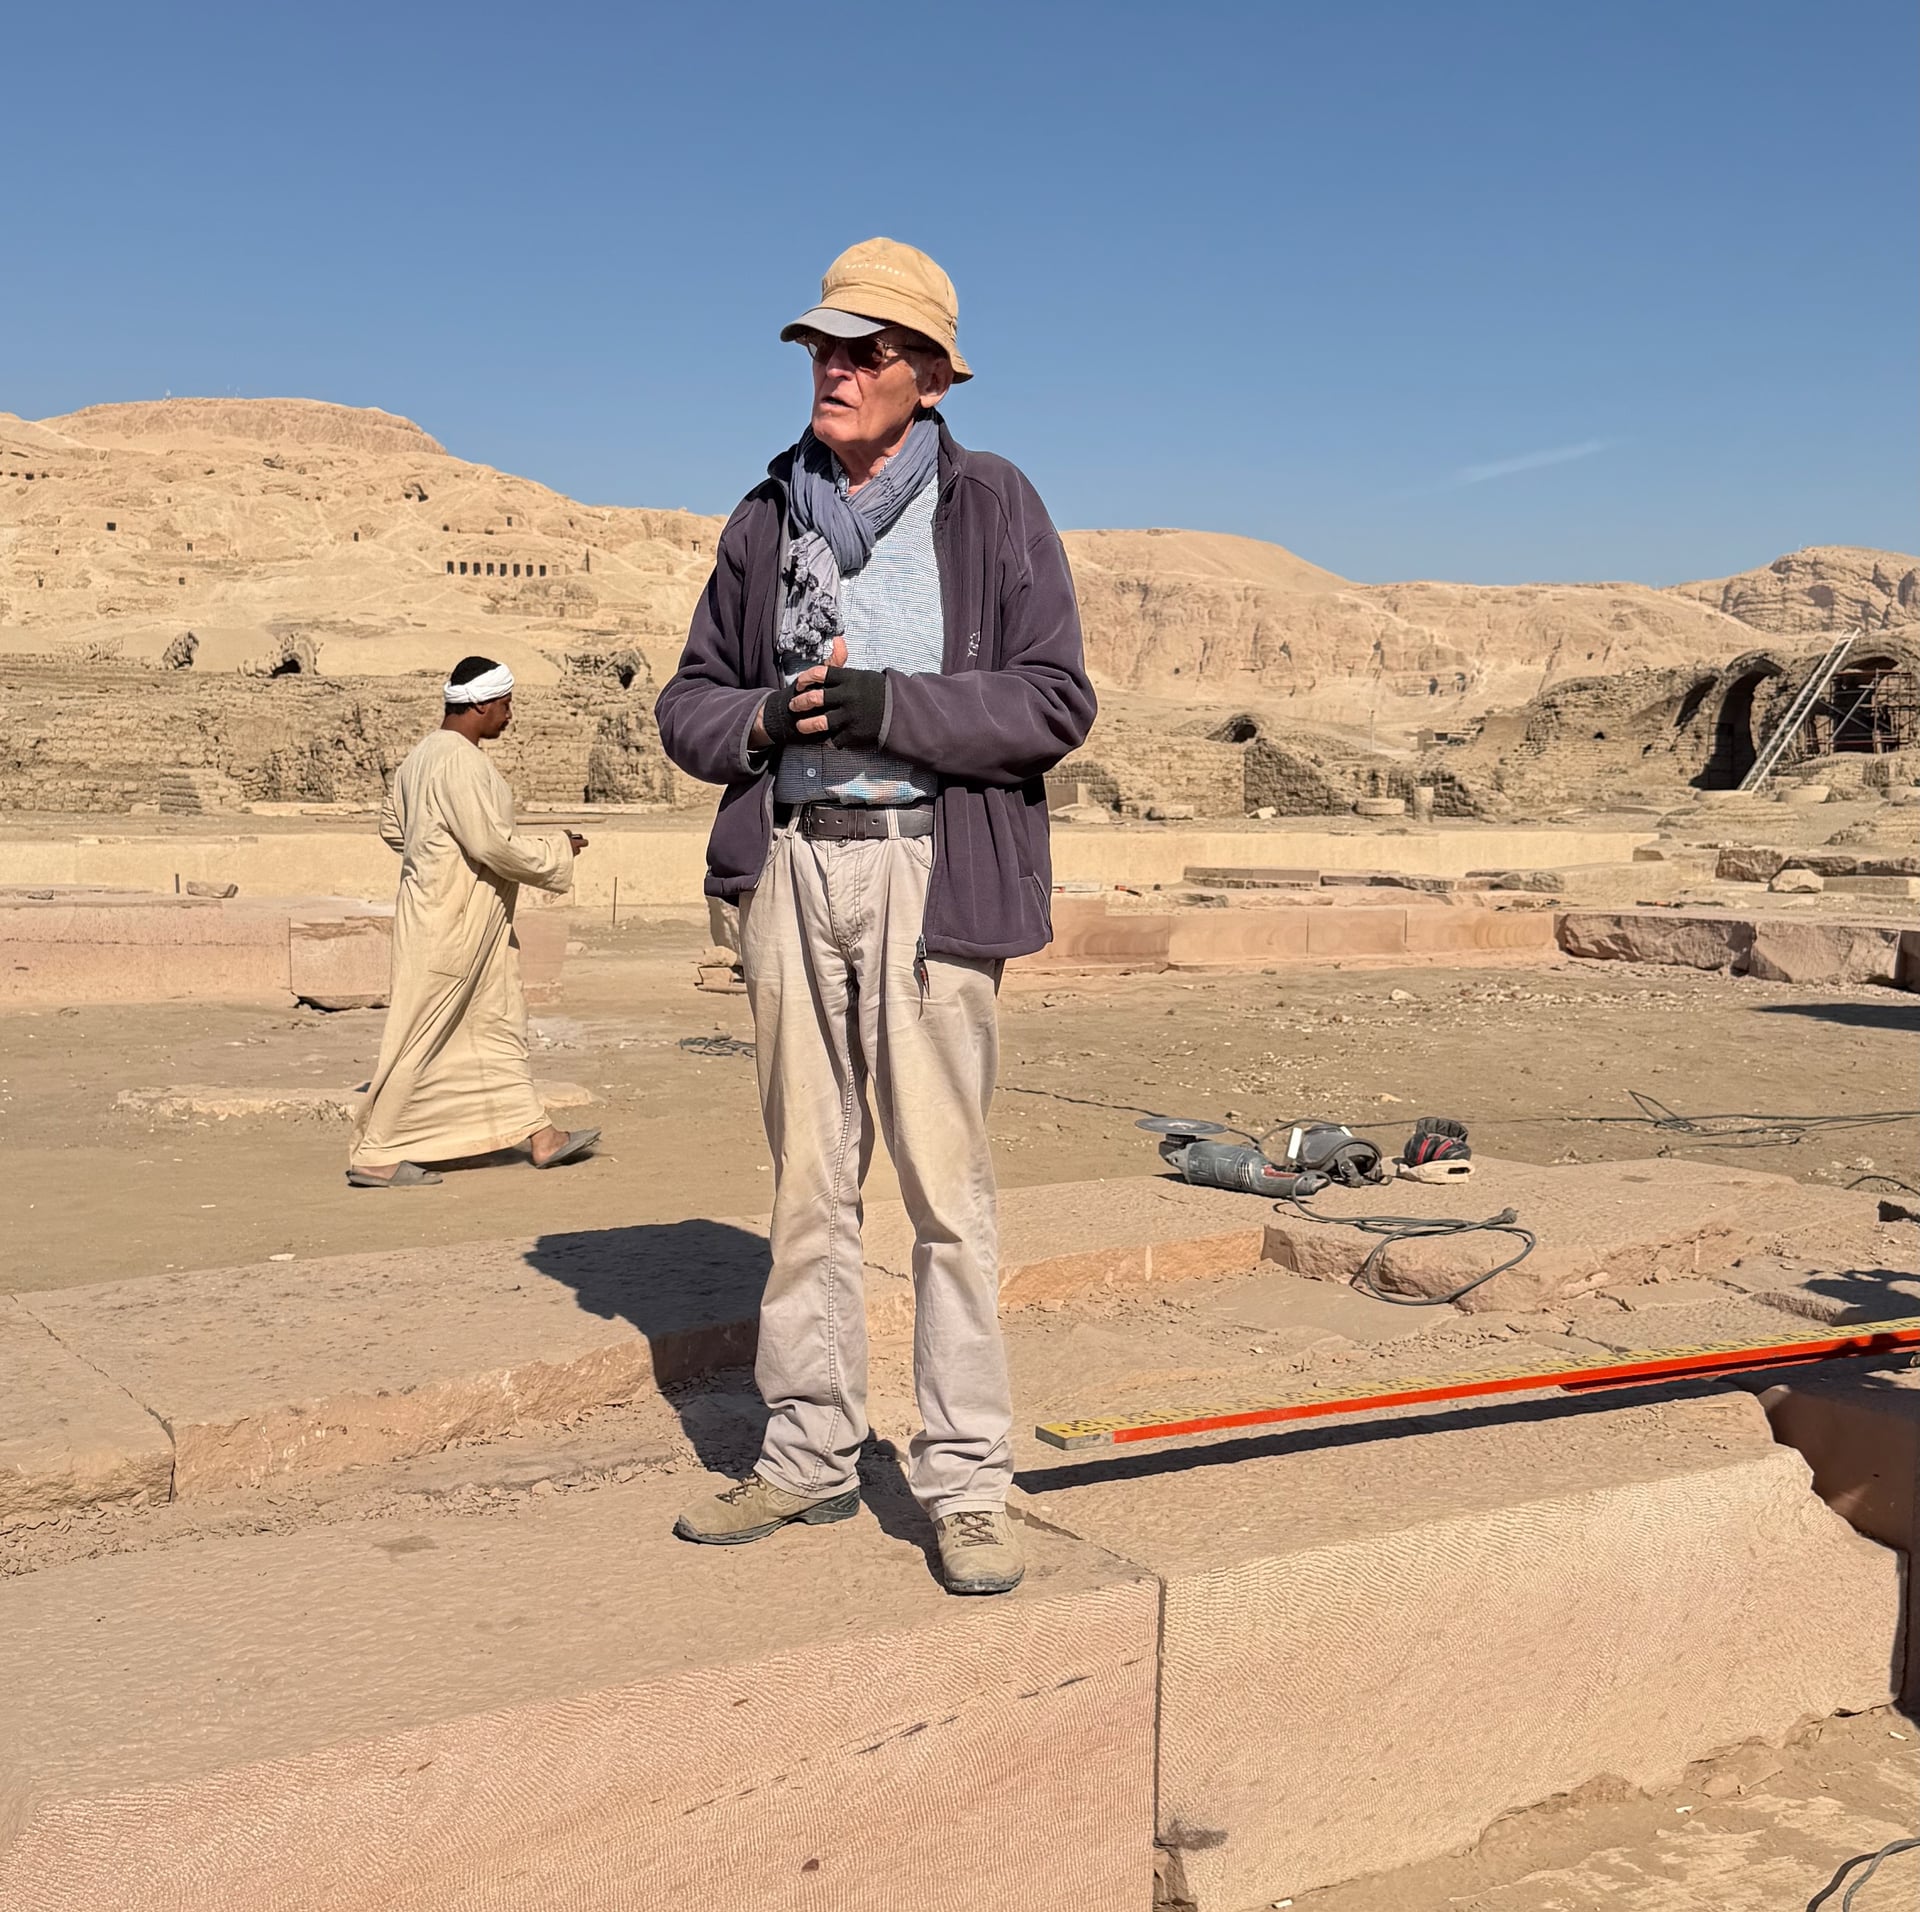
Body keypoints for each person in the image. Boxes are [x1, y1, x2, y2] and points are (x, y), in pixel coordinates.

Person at [655, 239, 1095, 1594]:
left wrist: (891, 705)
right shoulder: (766, 514)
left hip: (930, 870)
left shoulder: (991, 503)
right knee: (808, 1180)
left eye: (866, 351)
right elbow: (689, 705)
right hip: (795, 866)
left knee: (945, 1193)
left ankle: (967, 1481)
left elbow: (1053, 700)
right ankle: (806, 1455)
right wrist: (766, 719)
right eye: (822, 349)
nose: (833, 370)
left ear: (928, 377)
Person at [347, 655, 602, 1188]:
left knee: (493, 1026)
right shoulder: (460, 762)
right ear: (482, 704)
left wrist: (434, 855)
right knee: (423, 1033)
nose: (510, 716)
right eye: (506, 705)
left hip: (454, 916)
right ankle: (375, 1153)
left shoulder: (420, 757)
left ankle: (539, 1134)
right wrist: (558, 848)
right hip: (452, 922)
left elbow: (395, 829)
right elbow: (491, 844)